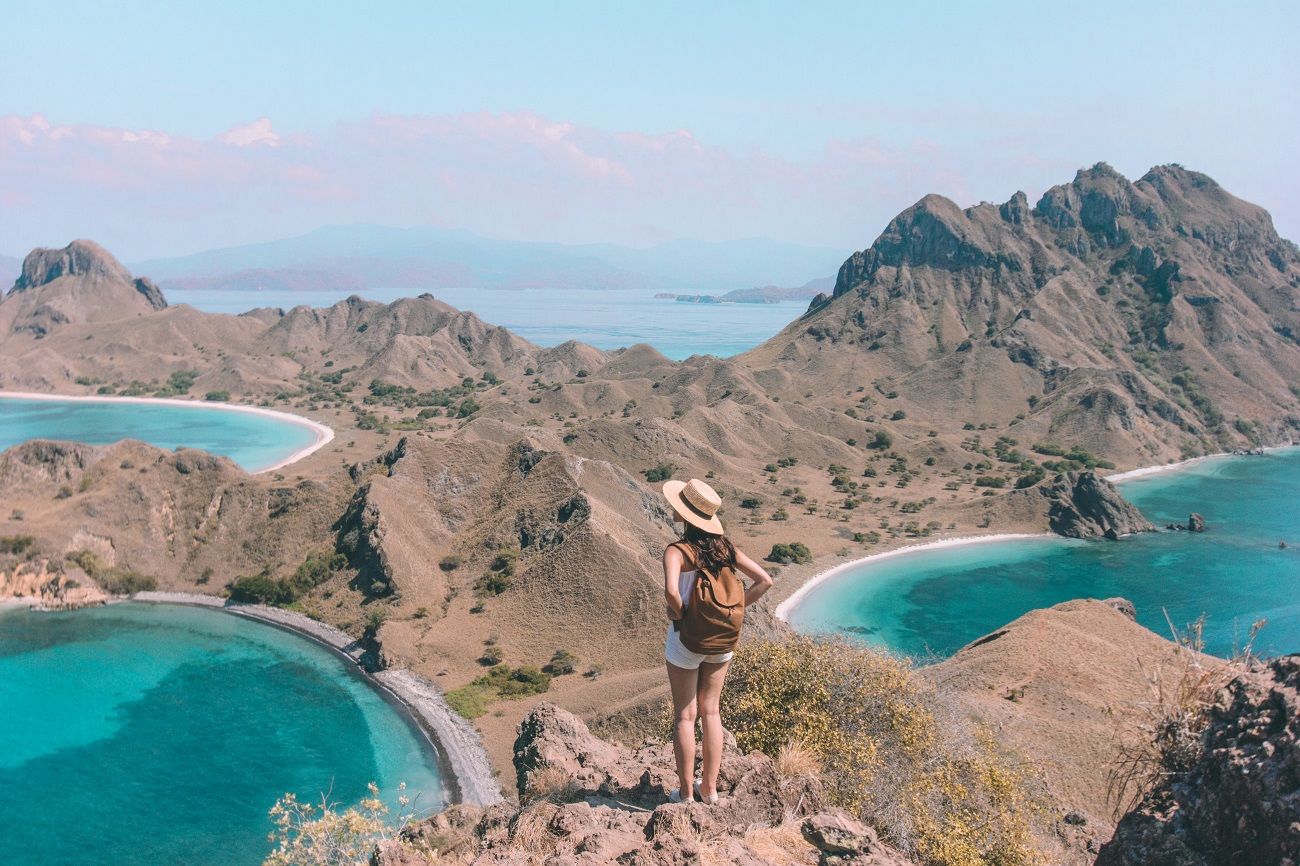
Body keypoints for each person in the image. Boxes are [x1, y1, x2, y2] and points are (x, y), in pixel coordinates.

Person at [660, 477, 773, 804]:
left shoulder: (677, 551)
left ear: (685, 514)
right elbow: (765, 580)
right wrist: (736, 608)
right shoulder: (726, 549)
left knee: (685, 715)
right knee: (711, 712)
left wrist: (682, 615)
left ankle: (684, 794)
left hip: (686, 641)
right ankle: (709, 790)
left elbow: (670, 591)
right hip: (722, 641)